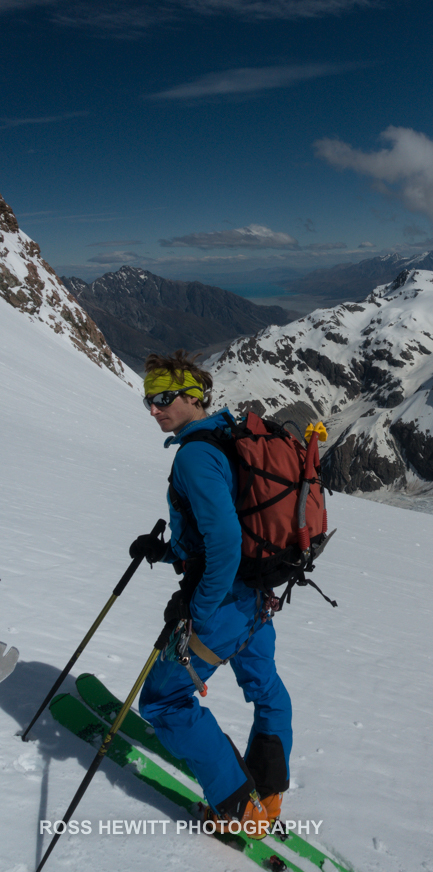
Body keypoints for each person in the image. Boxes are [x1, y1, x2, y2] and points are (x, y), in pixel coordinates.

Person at [132, 350, 292, 838]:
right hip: (256, 600)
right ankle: (267, 791)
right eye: (148, 401)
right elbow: (229, 533)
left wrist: (197, 610)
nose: (155, 409)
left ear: (192, 396)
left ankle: (236, 811)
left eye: (163, 398)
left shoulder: (195, 455)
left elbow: (222, 540)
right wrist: (166, 553)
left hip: (220, 607)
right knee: (265, 688)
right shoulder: (228, 436)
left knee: (163, 701)